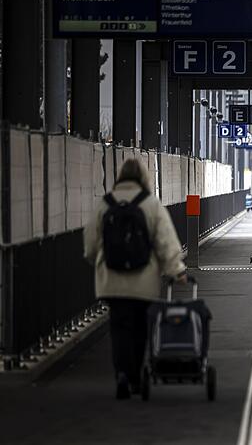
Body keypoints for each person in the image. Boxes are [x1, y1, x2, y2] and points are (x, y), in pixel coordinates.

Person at [83, 159, 186, 400]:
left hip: (111, 280)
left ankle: (121, 373)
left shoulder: (105, 203)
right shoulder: (151, 204)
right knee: (140, 327)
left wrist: (98, 263)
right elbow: (166, 243)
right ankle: (135, 377)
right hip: (143, 280)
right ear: (143, 177)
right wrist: (177, 270)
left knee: (118, 327)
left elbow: (90, 245)